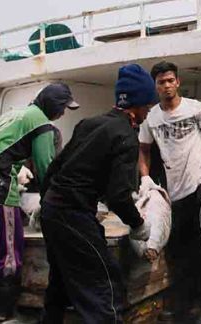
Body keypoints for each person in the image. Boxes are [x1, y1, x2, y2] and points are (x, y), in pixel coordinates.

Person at [39, 64, 156, 323]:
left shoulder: (89, 123)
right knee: (105, 283)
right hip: (73, 215)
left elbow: (55, 169)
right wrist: (138, 224)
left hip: (52, 210)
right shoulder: (126, 136)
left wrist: (46, 205)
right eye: (147, 106)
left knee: (60, 282)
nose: (149, 111)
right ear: (135, 104)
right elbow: (118, 195)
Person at [0, 83, 78, 323]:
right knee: (9, 255)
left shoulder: (14, 114)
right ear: (52, 105)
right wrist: (54, 202)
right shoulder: (41, 123)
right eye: (63, 108)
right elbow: (45, 168)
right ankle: (2, 315)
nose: (63, 113)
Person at [138, 61, 201, 323]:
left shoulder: (195, 108)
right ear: (155, 86)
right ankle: (183, 303)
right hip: (175, 189)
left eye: (170, 81)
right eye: (161, 82)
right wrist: (145, 178)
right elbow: (143, 150)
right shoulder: (151, 117)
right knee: (177, 249)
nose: (166, 86)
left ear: (177, 82)